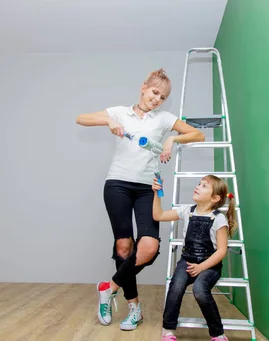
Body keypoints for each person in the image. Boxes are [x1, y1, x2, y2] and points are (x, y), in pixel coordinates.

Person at [75, 68, 205, 331]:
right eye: (154, 92)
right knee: (123, 247)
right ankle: (134, 307)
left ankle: (108, 288)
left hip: (147, 188)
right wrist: (108, 122)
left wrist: (173, 137)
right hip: (117, 185)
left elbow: (197, 134)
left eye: (162, 97)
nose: (157, 99)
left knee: (148, 246)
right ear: (144, 87)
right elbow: (81, 118)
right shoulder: (120, 112)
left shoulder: (164, 119)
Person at [152, 174, 237, 341]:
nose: (198, 186)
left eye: (204, 186)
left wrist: (201, 267)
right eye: (199, 183)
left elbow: (221, 251)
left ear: (215, 198)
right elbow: (158, 216)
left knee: (200, 289)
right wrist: (157, 193)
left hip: (210, 265)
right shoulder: (186, 211)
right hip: (187, 260)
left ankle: (218, 333)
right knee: (175, 286)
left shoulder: (219, 219)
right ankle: (168, 330)